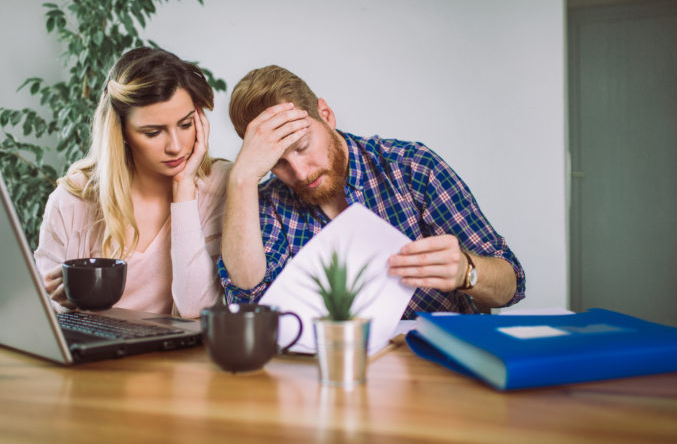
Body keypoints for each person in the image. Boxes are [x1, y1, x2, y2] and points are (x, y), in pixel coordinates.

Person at [218, 65, 524, 318]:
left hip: (433, 365)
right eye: (277, 163)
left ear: (325, 114)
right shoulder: (266, 202)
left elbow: (511, 284)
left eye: (302, 147)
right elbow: (248, 304)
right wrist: (242, 178)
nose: (300, 172)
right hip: (323, 368)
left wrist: (466, 272)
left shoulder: (412, 167)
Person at [34, 47, 231, 318]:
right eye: (153, 132)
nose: (175, 146)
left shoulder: (218, 186)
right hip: (93, 356)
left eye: (185, 125)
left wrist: (184, 188)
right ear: (122, 132)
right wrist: (56, 300)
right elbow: (42, 314)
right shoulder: (75, 197)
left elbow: (194, 310)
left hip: (176, 359)